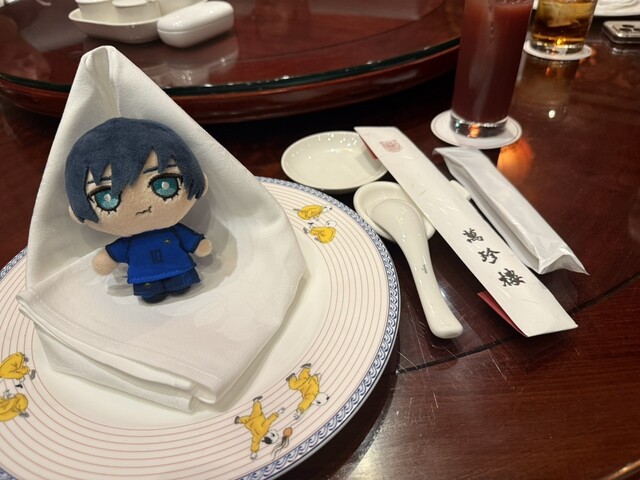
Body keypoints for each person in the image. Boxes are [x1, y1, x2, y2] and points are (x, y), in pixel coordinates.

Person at [65, 117, 212, 302]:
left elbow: (191, 240)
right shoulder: (129, 242)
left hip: (179, 268)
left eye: (165, 184)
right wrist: (106, 259)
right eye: (107, 198)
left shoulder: (173, 231)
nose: (143, 206)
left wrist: (199, 244)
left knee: (181, 284)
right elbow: (112, 255)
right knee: (151, 293)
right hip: (145, 277)